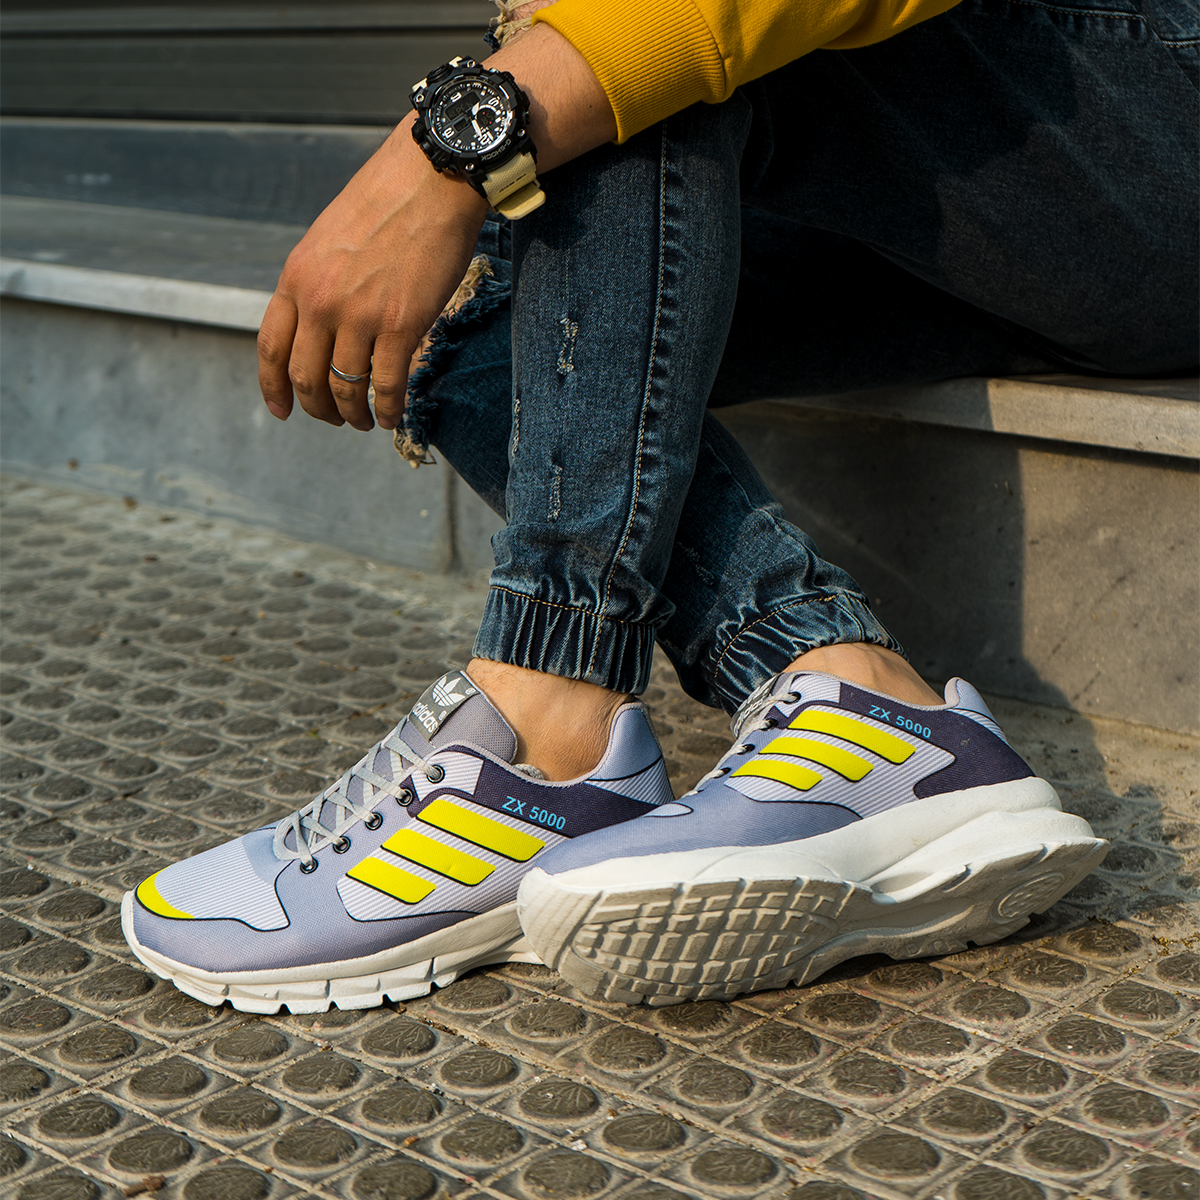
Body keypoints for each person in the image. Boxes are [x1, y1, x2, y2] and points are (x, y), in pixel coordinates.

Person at [122, 0, 1196, 1010]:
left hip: (1150, 133)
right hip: (993, 227)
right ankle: (845, 689)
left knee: (597, 69)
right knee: (462, 308)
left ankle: (545, 716)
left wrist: (440, 154)